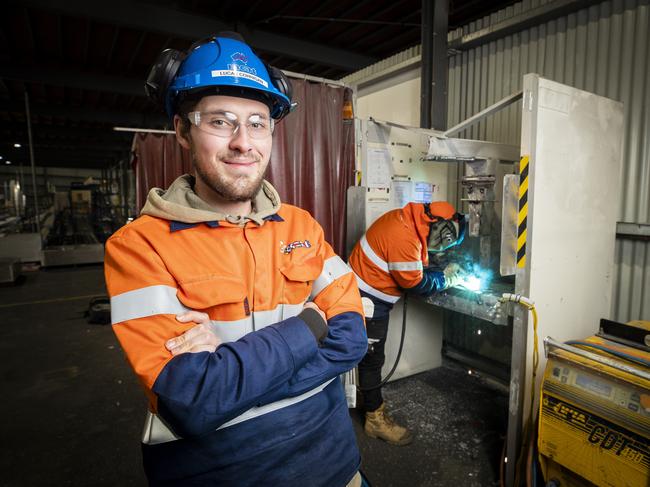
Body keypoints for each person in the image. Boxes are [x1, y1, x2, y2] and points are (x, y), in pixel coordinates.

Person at [104, 32, 367, 487]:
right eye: (221, 122)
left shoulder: (301, 227)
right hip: (219, 474)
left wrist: (233, 376)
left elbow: (352, 338)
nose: (244, 143)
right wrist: (309, 326)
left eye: (258, 122)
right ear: (183, 130)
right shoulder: (139, 246)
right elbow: (193, 400)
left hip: (334, 463)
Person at [348, 201, 466, 446]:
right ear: (437, 224)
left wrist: (440, 269)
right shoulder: (404, 237)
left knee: (370, 360)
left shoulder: (408, 220)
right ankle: (374, 420)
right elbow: (416, 284)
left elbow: (417, 261)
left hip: (366, 291)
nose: (441, 248)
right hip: (367, 300)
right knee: (372, 361)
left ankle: (371, 409)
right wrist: (446, 279)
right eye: (445, 241)